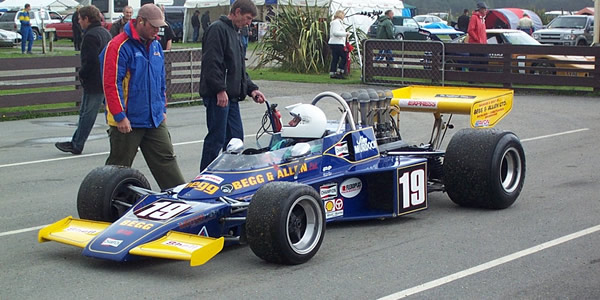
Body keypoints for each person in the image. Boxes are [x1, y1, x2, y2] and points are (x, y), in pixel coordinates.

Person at [99, 3, 185, 190]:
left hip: (154, 118)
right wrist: (120, 116)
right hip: (127, 120)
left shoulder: (155, 46)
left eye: (159, 28)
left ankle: (182, 203)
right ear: (140, 21)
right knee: (118, 167)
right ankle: (104, 203)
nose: (157, 31)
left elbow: (160, 79)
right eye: (153, 26)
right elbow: (111, 84)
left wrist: (162, 108)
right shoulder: (118, 46)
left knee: (167, 162)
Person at [199, 0, 266, 171]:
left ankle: (230, 175)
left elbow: (238, 67)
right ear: (236, 12)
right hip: (219, 96)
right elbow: (212, 63)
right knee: (216, 139)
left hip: (232, 97)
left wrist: (252, 89)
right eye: (247, 18)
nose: (248, 23)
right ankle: (205, 177)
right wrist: (220, 90)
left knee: (236, 139)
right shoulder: (217, 29)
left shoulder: (236, 33)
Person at [55, 5, 112, 155]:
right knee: (112, 111)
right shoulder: (105, 33)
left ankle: (77, 144)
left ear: (87, 19)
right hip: (107, 78)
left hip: (94, 81)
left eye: (80, 19)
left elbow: (90, 61)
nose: (79, 22)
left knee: (87, 113)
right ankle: (124, 140)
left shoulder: (90, 36)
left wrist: (82, 74)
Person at [328, 10, 350, 79]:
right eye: (343, 14)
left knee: (335, 58)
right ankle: (339, 71)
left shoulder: (338, 23)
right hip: (337, 43)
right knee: (344, 57)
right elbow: (335, 32)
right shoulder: (336, 23)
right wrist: (346, 34)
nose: (344, 16)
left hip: (335, 42)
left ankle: (333, 72)